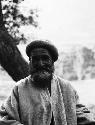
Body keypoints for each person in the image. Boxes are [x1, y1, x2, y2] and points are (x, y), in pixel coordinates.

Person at [0, 40, 95, 125]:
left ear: (52, 62)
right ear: (30, 62)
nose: (40, 64)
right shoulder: (19, 89)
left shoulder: (66, 87)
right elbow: (5, 119)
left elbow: (79, 112)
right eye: (35, 59)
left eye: (45, 58)